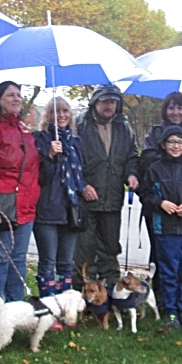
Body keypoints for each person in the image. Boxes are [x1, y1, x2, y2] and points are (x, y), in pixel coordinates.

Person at [0, 81, 40, 316]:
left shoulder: (23, 128)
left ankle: (16, 312)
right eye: (10, 95)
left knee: (18, 260)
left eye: (19, 95)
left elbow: (32, 168)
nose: (16, 99)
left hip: (25, 205)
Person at [138, 126, 182, 330]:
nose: (175, 146)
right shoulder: (155, 169)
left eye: (179, 142)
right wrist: (160, 204)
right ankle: (170, 311)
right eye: (171, 142)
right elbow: (145, 194)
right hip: (165, 229)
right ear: (163, 145)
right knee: (169, 271)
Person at [72, 84, 139, 289]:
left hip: (113, 198)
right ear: (95, 102)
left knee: (110, 249)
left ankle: (111, 294)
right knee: (85, 250)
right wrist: (81, 185)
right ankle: (85, 295)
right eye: (105, 101)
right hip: (86, 200)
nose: (109, 105)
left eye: (113, 101)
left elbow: (132, 155)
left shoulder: (123, 127)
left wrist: (132, 173)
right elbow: (70, 160)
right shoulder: (79, 125)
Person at [33, 97, 86, 303]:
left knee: (66, 262)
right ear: (48, 115)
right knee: (48, 261)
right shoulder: (41, 139)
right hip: (47, 209)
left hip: (70, 209)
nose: (62, 115)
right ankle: (48, 306)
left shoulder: (76, 142)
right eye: (56, 112)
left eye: (65, 111)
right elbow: (40, 177)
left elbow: (81, 173)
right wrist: (49, 156)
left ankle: (64, 306)